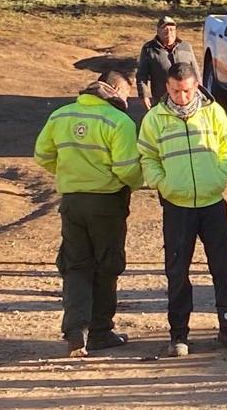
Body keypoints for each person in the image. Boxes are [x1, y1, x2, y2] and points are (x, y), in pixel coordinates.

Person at [138, 62, 227, 357]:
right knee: (177, 271)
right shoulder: (154, 119)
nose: (182, 97)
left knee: (222, 267)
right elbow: (146, 155)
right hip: (177, 206)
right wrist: (162, 183)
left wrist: (222, 173)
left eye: (187, 91)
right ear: (167, 87)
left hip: (213, 202)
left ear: (196, 86)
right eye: (176, 91)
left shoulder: (213, 112)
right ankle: (178, 335)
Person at [34, 71, 143, 357]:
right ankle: (100, 332)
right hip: (107, 203)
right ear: (116, 90)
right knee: (107, 266)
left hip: (72, 201)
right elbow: (127, 168)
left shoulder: (60, 115)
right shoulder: (118, 121)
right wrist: (139, 183)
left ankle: (74, 330)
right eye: (127, 95)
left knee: (75, 264)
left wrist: (69, 175)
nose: (127, 101)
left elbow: (43, 155)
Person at [136, 16, 200, 111]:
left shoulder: (186, 47)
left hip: (186, 100)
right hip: (162, 100)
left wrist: (199, 91)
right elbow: (142, 75)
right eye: (165, 29)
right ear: (158, 31)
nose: (169, 33)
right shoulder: (149, 49)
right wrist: (144, 95)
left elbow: (195, 72)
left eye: (172, 29)